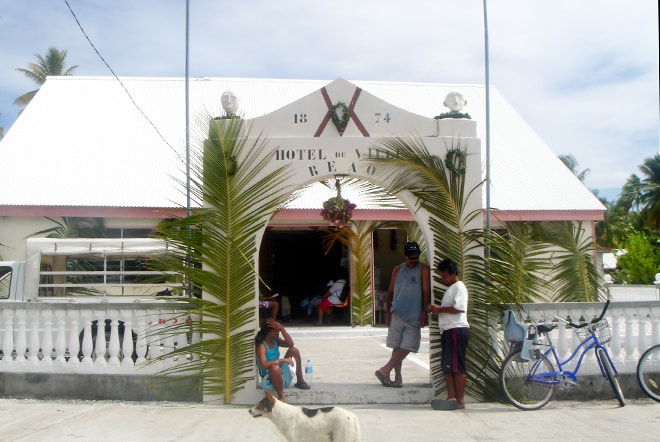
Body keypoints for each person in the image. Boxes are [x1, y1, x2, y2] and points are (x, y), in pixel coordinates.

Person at [375, 241, 430, 388]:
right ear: (405, 256)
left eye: (416, 257)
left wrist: (425, 312)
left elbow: (426, 292)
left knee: (409, 346)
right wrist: (387, 312)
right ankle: (396, 377)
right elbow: (391, 291)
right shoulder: (397, 270)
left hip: (414, 315)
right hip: (397, 312)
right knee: (396, 346)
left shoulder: (423, 269)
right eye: (411, 257)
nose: (414, 260)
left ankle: (384, 369)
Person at [427, 258, 469, 410]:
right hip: (448, 330)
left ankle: (460, 400)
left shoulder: (459, 287)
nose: (442, 278)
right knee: (448, 365)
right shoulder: (452, 289)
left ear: (453, 274)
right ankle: (451, 397)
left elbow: (459, 308)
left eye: (445, 275)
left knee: (457, 366)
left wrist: (440, 309)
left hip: (456, 329)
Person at [255, 318, 310, 402]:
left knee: (293, 350)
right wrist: (282, 361)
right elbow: (264, 365)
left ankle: (300, 381)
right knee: (274, 368)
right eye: (277, 330)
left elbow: (290, 344)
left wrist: (282, 328)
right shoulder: (262, 346)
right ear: (270, 332)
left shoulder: (275, 340)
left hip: (281, 374)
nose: (279, 332)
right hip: (269, 379)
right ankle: (281, 396)